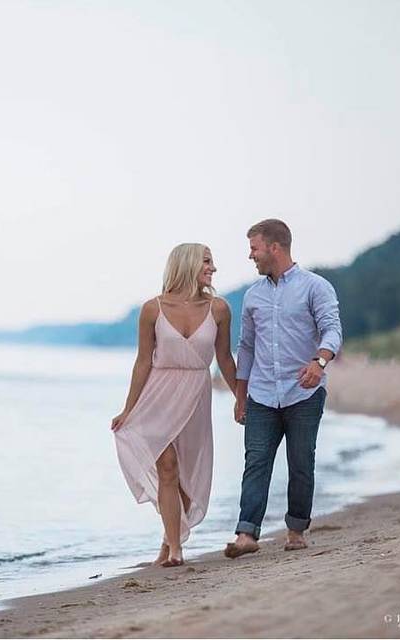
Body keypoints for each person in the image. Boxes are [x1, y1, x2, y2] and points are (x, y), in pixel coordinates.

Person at [112, 243, 238, 567]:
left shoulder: (219, 309)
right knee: (166, 467)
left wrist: (241, 396)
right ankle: (177, 552)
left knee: (186, 479)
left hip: (196, 394)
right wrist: (129, 409)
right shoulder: (152, 309)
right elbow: (142, 362)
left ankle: (168, 540)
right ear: (188, 264)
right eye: (207, 261)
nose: (213, 268)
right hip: (158, 395)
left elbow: (224, 358)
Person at [225, 219, 343, 559]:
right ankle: (246, 533)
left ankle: (295, 529)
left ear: (274, 247)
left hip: (303, 393)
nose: (251, 256)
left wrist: (318, 363)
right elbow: (246, 348)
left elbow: (332, 330)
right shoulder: (252, 296)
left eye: (254, 248)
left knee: (301, 461)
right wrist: (239, 394)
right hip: (261, 394)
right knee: (256, 461)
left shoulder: (315, 287)